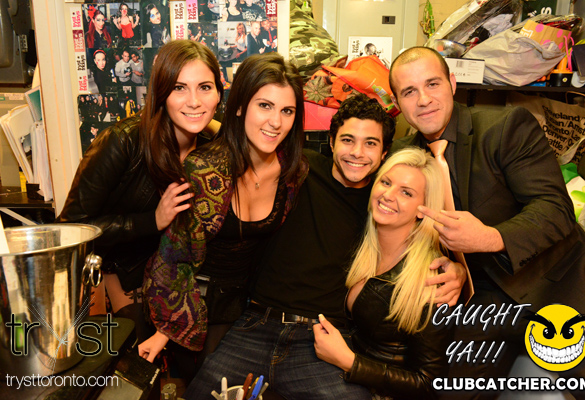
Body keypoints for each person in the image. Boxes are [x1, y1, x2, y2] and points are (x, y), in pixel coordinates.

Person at [186, 94, 465, 399]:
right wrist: (199, 117)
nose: (357, 153)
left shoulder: (383, 203)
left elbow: (419, 239)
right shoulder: (298, 169)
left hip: (322, 338)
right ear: (331, 142)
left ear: (384, 153)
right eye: (347, 140)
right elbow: (248, 138)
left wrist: (458, 268)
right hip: (256, 324)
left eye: (370, 143)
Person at [388, 46, 585, 399]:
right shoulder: (403, 158)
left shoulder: (505, 127)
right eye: (409, 91)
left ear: (452, 83)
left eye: (432, 84)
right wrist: (453, 267)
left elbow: (555, 209)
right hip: (482, 301)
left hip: (549, 286)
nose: (423, 99)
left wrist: (489, 238)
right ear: (397, 102)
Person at [140, 53, 309, 382]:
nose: (276, 122)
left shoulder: (293, 171)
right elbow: (176, 257)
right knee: (211, 383)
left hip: (252, 307)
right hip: (196, 305)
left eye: (287, 111)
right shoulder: (204, 169)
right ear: (241, 106)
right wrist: (167, 331)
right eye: (265, 106)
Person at [58, 40, 223, 344]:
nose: (194, 101)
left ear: (218, 93)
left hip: (183, 277)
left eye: (205, 87)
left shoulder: (215, 148)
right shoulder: (123, 142)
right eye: (179, 88)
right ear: (161, 93)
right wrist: (151, 220)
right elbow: (70, 229)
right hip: (121, 274)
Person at [314, 147, 451, 399]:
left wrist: (349, 361)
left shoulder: (431, 278)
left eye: (406, 192)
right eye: (386, 182)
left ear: (423, 209)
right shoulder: (360, 245)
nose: (388, 195)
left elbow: (429, 384)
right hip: (344, 383)